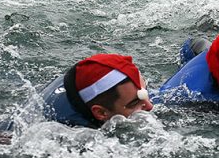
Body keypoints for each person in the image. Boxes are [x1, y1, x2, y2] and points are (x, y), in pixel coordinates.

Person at [11, 53, 153, 128]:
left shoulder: (86, 80)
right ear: (101, 113)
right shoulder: (72, 134)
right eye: (135, 103)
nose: (150, 106)